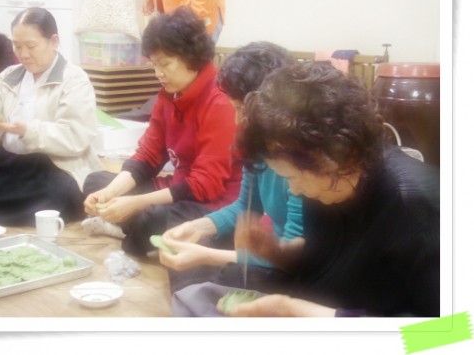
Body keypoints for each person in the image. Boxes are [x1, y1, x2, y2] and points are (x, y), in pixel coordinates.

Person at [173, 61, 440, 317]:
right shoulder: (327, 184)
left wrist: (293, 310)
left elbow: (450, 333)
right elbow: (321, 257)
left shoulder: (418, 207)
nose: (295, 190)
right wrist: (275, 251)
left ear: (335, 156)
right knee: (193, 298)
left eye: (292, 177)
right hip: (315, 309)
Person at [83, 6, 242, 257]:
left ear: (191, 58)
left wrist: (136, 203)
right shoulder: (169, 95)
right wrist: (110, 192)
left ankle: (129, 229)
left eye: (165, 64)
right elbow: (148, 156)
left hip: (213, 202)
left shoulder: (220, 101)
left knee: (152, 217)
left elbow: (205, 185)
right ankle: (133, 230)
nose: (158, 73)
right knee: (96, 183)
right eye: (154, 64)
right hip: (179, 188)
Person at [158, 42, 304, 294]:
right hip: (274, 257)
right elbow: (245, 206)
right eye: (234, 108)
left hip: (292, 268)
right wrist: (197, 227)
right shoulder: (256, 147)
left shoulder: (300, 165)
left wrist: (205, 255)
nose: (237, 120)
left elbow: (292, 257)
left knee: (218, 273)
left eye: (241, 110)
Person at [0, 7, 103, 226]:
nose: (23, 54)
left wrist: (29, 131)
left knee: (57, 198)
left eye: (31, 46)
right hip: (9, 162)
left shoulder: (74, 79)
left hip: (53, 166)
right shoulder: (9, 76)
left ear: (54, 41)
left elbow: (76, 136)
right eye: (17, 46)